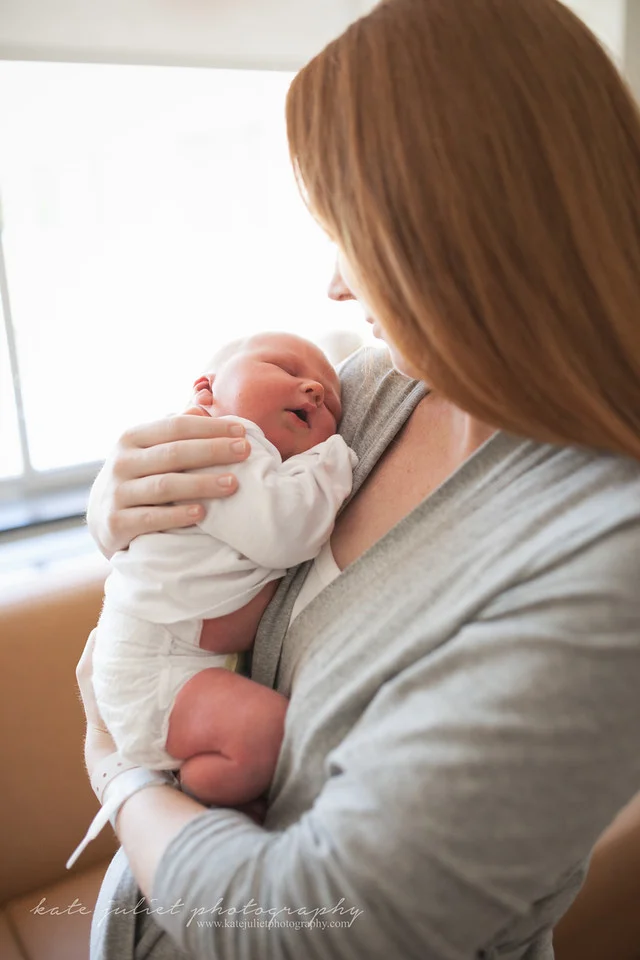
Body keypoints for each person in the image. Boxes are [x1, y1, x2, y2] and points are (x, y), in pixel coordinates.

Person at [79, 0, 640, 957]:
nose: (335, 284)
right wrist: (117, 502)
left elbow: (317, 928)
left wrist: (122, 779)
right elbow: (206, 491)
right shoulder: (376, 388)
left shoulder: (605, 555)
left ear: (452, 234)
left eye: (353, 234)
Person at [66, 332, 356, 869]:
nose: (314, 388)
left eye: (333, 405)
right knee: (266, 733)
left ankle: (201, 788)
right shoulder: (220, 444)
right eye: (283, 366)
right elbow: (287, 530)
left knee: (258, 739)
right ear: (207, 390)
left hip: (170, 663)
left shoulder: (261, 465)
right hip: (157, 670)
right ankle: (190, 789)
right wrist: (334, 460)